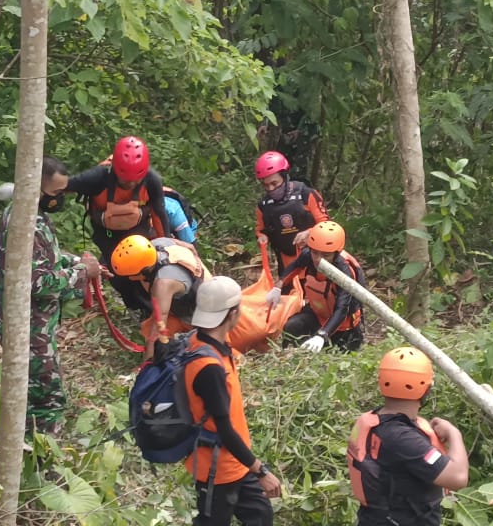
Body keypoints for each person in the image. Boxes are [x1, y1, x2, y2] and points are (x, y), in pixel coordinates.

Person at [0, 156, 101, 435]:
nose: (59, 199)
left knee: (28, 391)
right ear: (35, 190)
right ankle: (40, 461)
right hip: (27, 327)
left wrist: (80, 263)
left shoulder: (31, 216)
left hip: (33, 324)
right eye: (55, 194)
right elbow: (37, 280)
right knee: (46, 399)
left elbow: (44, 259)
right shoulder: (25, 223)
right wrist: (80, 272)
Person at [183, 276, 282, 525]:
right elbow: (224, 429)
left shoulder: (206, 342)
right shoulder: (208, 367)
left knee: (260, 515)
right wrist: (261, 470)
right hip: (218, 469)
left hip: (236, 462)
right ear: (232, 313)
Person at [348, 347, 469, 526]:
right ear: (425, 388)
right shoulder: (401, 439)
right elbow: (457, 478)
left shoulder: (376, 421)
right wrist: (454, 434)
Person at [64, 136, 171, 315]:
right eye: (124, 181)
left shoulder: (151, 180)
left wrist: (166, 245)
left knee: (145, 266)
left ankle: (150, 308)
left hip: (139, 229)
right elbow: (63, 185)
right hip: (107, 233)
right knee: (118, 271)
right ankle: (134, 306)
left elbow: (159, 213)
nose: (129, 185)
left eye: (134, 182)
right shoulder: (98, 178)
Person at [265, 220, 365, 352]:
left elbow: (342, 308)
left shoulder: (345, 272)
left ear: (336, 253)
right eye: (315, 253)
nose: (318, 259)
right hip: (317, 314)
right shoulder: (308, 255)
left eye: (326, 255)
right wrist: (278, 287)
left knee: (338, 355)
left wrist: (322, 335)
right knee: (292, 327)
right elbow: (294, 267)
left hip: (343, 325)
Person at [110, 234, 211, 362]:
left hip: (203, 315)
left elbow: (158, 327)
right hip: (205, 287)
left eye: (131, 275)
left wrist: (147, 363)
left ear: (145, 271)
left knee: (154, 334)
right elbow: (190, 246)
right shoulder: (159, 243)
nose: (130, 278)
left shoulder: (163, 284)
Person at [253, 150, 330, 277]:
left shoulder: (306, 194)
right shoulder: (264, 206)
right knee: (287, 295)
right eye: (266, 185)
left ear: (284, 177)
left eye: (274, 183)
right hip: (286, 261)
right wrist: (261, 237)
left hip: (314, 258)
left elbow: (327, 225)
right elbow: (260, 229)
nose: (271, 189)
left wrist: (310, 233)